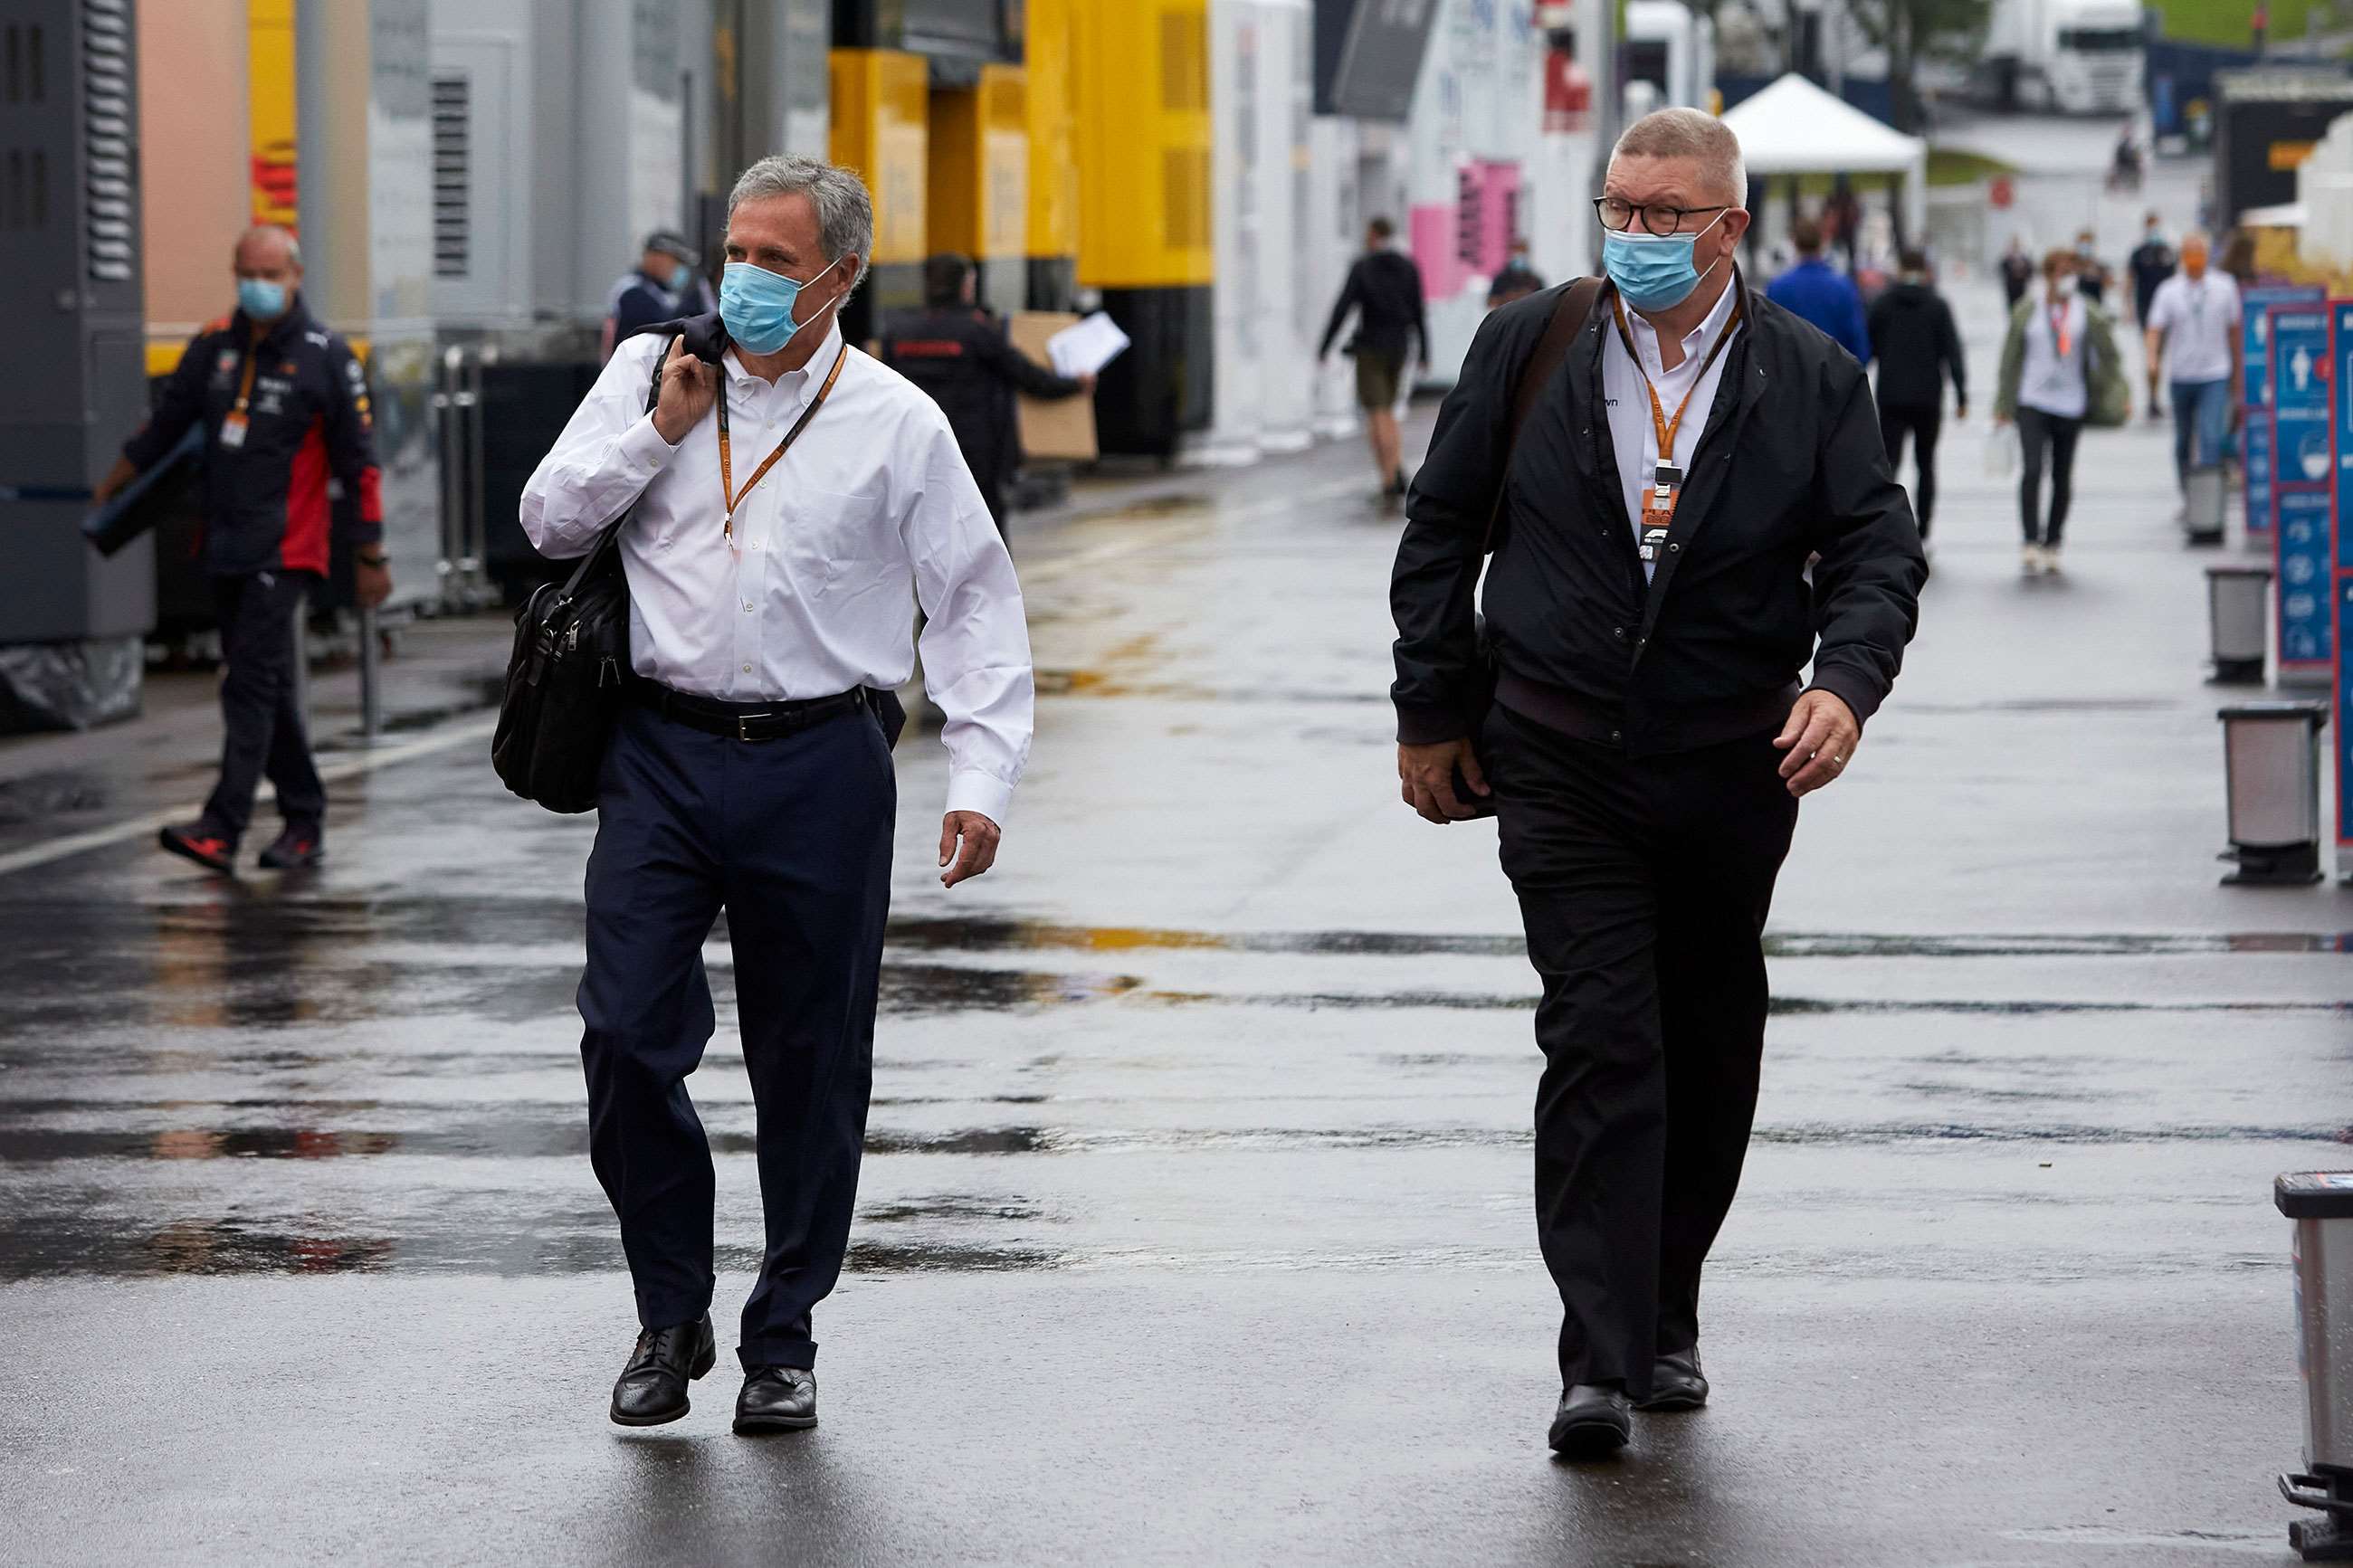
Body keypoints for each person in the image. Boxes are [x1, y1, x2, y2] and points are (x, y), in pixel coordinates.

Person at [1390, 108, 1925, 1460]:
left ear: (1731, 226)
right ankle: (1597, 1356)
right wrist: (1432, 710)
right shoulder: (1532, 343)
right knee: (1600, 1034)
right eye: (1618, 209)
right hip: (1559, 752)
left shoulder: (1810, 376)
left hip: (1729, 764)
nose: (1634, 236)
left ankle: (1666, 1301)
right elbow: (1443, 529)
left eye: (1665, 215)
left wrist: (1843, 686)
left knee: (1707, 1037)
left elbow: (1875, 551)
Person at [519, 156, 1033, 1436]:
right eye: (732, 250)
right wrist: (659, 433)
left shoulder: (899, 420)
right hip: (660, 753)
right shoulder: (652, 371)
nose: (740, 278)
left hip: (823, 762)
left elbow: (971, 598)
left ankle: (783, 1333)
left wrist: (981, 774)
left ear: (840, 278)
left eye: (774, 261)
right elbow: (546, 522)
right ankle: (668, 1308)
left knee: (811, 1063)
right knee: (625, 1033)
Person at [93, 225, 390, 874]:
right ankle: (305, 820)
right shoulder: (213, 347)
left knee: (247, 685)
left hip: (286, 551)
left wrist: (370, 555)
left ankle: (222, 827)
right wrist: (111, 489)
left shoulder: (326, 356)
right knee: (269, 685)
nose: (258, 286)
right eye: (247, 273)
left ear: (295, 274)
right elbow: (163, 426)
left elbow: (360, 463)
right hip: (223, 542)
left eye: (270, 274)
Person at [878, 252, 1094, 531]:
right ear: (966, 285)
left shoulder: (898, 331)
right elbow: (1026, 376)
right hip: (974, 450)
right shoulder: (977, 330)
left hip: (913, 445)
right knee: (982, 525)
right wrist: (1075, 384)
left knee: (922, 523)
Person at [1995, 249, 2117, 575]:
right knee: (2033, 469)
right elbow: (2010, 359)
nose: (2068, 279)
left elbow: (2108, 354)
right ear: (2048, 275)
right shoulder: (2028, 310)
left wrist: (2112, 391)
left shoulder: (2085, 311)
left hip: (2071, 403)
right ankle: (2030, 539)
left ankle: (2054, 540)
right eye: (2062, 272)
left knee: (2062, 475)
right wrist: (2002, 405)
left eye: (2072, 272)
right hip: (2032, 400)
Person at [1319, 217, 1430, 500]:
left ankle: (1387, 476)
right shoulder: (1408, 266)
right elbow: (1419, 311)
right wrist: (1426, 352)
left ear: (1375, 235)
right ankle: (1395, 468)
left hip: (1370, 348)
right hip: (1400, 346)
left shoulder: (1363, 267)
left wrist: (1326, 345)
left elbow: (1343, 307)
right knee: (1390, 412)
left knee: (1377, 412)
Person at [1866, 247, 1967, 542]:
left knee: (1888, 465)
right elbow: (1952, 351)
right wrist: (1961, 394)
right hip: (1928, 397)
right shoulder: (1937, 305)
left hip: (1891, 395)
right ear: (1925, 270)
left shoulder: (1883, 304)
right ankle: (1923, 530)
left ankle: (1885, 527)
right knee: (1926, 464)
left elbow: (1867, 347)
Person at [2143, 231, 2243, 506]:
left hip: (2215, 373)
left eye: (2199, 251)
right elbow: (2155, 330)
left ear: (2208, 254)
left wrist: (2238, 373)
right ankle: (2188, 493)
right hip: (2182, 375)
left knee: (2211, 435)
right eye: (2189, 252)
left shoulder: (2225, 286)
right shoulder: (2169, 290)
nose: (2194, 257)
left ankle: (2208, 500)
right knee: (2183, 440)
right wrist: (2152, 359)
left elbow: (2234, 331)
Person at [1764, 218, 1872, 365]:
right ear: (1822, 242)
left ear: (1795, 243)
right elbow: (1856, 338)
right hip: (1835, 371)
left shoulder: (1778, 287)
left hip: (1792, 374)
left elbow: (1769, 338)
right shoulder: (1842, 286)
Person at [602, 232, 718, 362]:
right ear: (657, 257)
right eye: (677, 261)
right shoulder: (634, 293)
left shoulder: (658, 291)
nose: (680, 269)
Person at [2127, 212, 2177, 420]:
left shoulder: (2168, 252)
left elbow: (2177, 281)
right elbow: (2130, 280)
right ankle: (2152, 399)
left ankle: (2155, 396)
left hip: (2166, 313)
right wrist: (2128, 307)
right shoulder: (2139, 253)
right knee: (2152, 357)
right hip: (2146, 312)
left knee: (2161, 357)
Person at [1488, 241, 1547, 309]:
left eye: (1522, 253)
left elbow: (1544, 303)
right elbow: (1490, 302)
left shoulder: (1535, 280)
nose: (1519, 256)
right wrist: (1506, 298)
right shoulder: (1501, 279)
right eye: (1516, 252)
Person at [2072, 230, 2110, 306]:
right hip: (2076, 308)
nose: (2085, 248)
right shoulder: (2072, 267)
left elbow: (2108, 284)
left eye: (2088, 244)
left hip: (2095, 307)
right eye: (2082, 244)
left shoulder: (2099, 267)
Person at [1998, 236, 2036, 310]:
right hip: (2011, 286)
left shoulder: (2025, 259)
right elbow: (2002, 269)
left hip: (2022, 286)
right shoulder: (2007, 258)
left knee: (2021, 305)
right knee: (2011, 306)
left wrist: (2023, 274)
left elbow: (2030, 271)